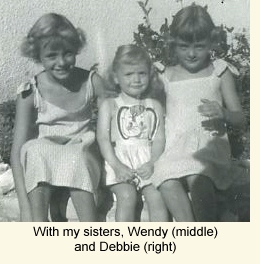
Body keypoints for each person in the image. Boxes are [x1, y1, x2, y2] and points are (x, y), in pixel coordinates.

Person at [152, 4, 246, 221]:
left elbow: (240, 118)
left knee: (199, 177)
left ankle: (205, 228)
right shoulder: (166, 75)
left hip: (207, 149)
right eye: (184, 47)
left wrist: (223, 113)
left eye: (200, 46)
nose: (192, 54)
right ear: (173, 44)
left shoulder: (219, 72)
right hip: (175, 147)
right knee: (166, 181)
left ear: (212, 42)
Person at [10, 13, 106, 222]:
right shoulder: (30, 91)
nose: (61, 62)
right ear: (38, 56)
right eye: (52, 56)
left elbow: (116, 120)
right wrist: (23, 205)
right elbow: (17, 151)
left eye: (68, 53)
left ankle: (92, 233)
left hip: (81, 152)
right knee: (34, 150)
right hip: (46, 159)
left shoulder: (91, 82)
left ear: (76, 49)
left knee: (76, 155)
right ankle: (38, 224)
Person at [97, 44, 169, 221]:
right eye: (129, 74)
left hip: (147, 162)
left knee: (157, 196)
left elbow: (159, 138)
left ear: (149, 75)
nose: (136, 79)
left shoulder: (154, 105)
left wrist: (152, 163)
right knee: (127, 196)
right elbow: (103, 139)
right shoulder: (110, 104)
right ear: (116, 77)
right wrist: (117, 166)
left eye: (141, 73)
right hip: (119, 162)